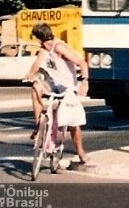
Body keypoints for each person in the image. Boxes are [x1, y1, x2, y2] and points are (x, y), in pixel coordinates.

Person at [25, 22, 89, 165]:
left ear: (38, 38)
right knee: (36, 87)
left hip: (67, 87)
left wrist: (84, 81)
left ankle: (80, 152)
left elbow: (82, 62)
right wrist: (30, 74)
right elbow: (37, 63)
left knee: (73, 122)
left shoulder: (59, 47)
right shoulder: (44, 50)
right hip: (53, 84)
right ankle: (39, 125)